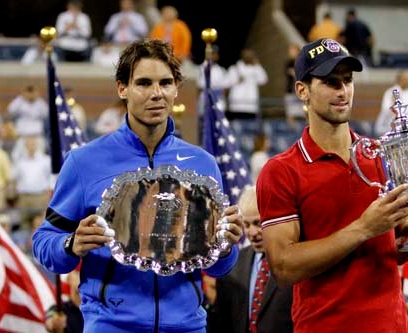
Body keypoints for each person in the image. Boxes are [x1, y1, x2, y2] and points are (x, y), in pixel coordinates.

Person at [32, 38, 243, 332]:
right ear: (123, 88)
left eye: (165, 83)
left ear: (176, 88)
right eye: (144, 83)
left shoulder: (202, 164)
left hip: (187, 326)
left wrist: (224, 246)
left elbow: (219, 267)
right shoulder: (84, 162)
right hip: (110, 325)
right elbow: (44, 244)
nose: (156, 93)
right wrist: (71, 244)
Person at [256, 38, 408, 333]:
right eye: (330, 82)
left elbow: (391, 250)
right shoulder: (281, 171)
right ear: (302, 90)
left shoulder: (381, 155)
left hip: (392, 325)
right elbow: (284, 267)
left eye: (348, 81)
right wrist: (363, 228)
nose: (343, 91)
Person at [215, 186, 293, 333]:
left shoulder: (296, 260)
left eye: (258, 223)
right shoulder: (234, 264)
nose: (251, 232)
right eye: (246, 224)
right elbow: (222, 319)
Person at [226, 48, 268, 121]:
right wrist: (237, 80)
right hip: (237, 106)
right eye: (247, 55)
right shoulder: (234, 68)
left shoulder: (256, 69)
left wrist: (258, 65)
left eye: (251, 55)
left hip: (251, 106)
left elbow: (264, 80)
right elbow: (226, 84)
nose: (249, 57)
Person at [374, 71, 408, 137]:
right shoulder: (390, 92)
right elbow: (385, 109)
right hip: (389, 126)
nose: (407, 81)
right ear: (399, 80)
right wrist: (393, 103)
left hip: (405, 127)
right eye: (404, 79)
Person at [45, 268, 84, 333]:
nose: (83, 276)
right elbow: (50, 319)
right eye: (78, 271)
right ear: (69, 278)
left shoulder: (101, 310)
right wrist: (54, 322)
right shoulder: (58, 308)